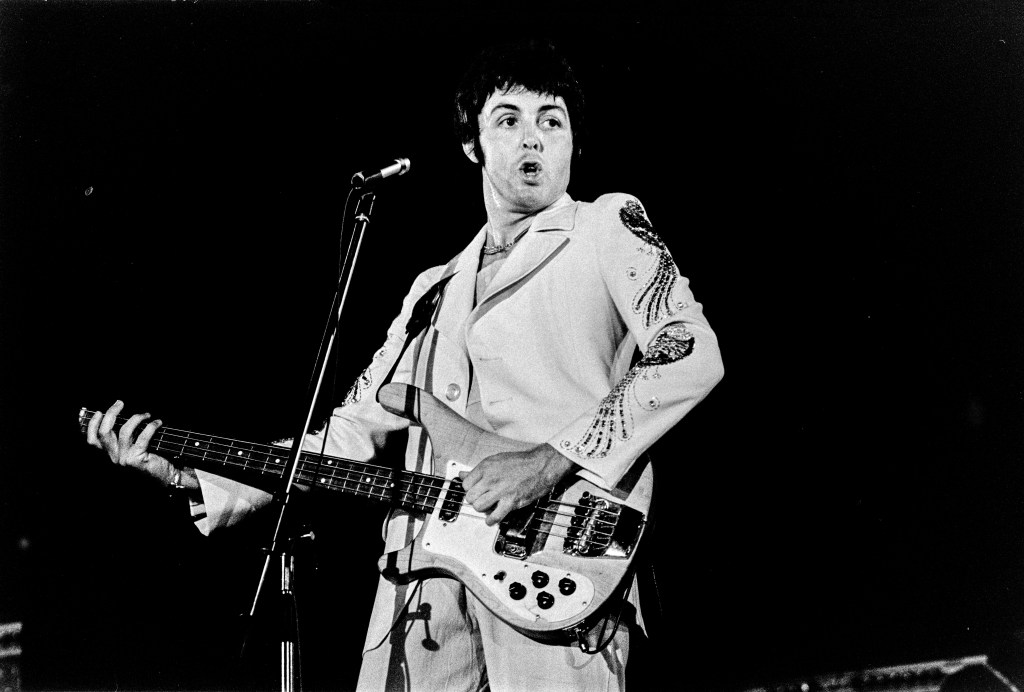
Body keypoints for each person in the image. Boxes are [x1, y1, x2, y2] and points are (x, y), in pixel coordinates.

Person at [87, 40, 724, 691]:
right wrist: (192, 476)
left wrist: (550, 460)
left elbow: (690, 353)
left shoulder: (605, 226)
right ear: (472, 143)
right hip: (419, 586)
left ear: (572, 143)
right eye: (508, 119)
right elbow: (346, 433)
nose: (532, 138)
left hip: (553, 571)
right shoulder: (432, 290)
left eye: (551, 121)